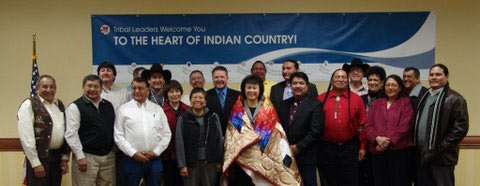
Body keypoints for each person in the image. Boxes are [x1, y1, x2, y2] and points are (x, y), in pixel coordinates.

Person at [223, 75, 302, 186]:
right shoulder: (237, 108)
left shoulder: (268, 107)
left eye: (254, 88)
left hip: (264, 155)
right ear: (243, 89)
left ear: (260, 89)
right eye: (248, 88)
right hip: (243, 157)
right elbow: (232, 133)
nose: (251, 91)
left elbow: (276, 133)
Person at [414, 64, 469, 186]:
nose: (434, 77)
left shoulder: (455, 98)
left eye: (438, 74)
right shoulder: (425, 96)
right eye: (431, 74)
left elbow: (461, 128)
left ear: (447, 76)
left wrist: (438, 148)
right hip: (422, 156)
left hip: (442, 158)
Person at [114, 77, 172, 186]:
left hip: (154, 159)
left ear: (148, 90)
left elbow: (167, 134)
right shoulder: (123, 109)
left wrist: (155, 152)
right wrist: (133, 153)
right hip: (131, 160)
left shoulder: (157, 109)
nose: (136, 91)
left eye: (140, 88)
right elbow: (118, 136)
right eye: (134, 88)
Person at [316, 69, 367, 186]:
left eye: (343, 77)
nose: (340, 79)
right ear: (332, 81)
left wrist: (363, 147)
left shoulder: (356, 99)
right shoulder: (320, 99)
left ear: (347, 80)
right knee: (329, 181)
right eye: (337, 77)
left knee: (350, 180)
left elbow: (363, 124)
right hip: (326, 148)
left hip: (350, 148)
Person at [17, 75, 70, 186]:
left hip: (56, 158)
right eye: (44, 87)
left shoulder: (59, 105)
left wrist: (64, 158)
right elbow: (26, 136)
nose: (49, 90)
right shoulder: (29, 105)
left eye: (52, 87)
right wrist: (35, 163)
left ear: (56, 88)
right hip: (39, 158)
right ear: (37, 89)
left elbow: (65, 132)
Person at [65, 74, 116, 186]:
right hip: (86, 157)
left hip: (108, 158)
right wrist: (80, 156)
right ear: (83, 87)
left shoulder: (108, 105)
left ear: (101, 88)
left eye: (96, 86)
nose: (92, 89)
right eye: (89, 86)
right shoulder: (75, 107)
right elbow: (71, 134)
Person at [364, 75, 414, 186]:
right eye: (387, 85)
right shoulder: (376, 103)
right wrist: (377, 139)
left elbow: (405, 127)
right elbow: (368, 125)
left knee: (399, 182)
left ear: (400, 88)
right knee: (380, 182)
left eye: (394, 85)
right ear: (384, 87)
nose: (390, 88)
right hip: (377, 151)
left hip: (399, 152)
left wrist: (386, 142)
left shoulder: (405, 103)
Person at [276, 72, 324, 186]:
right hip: (286, 155)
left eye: (301, 83)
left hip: (307, 156)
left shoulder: (315, 104)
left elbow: (316, 131)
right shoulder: (283, 104)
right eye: (294, 83)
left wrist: (298, 147)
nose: (298, 86)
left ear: (307, 86)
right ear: (291, 86)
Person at [176, 88, 223, 186]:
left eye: (201, 97)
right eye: (194, 97)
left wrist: (220, 161)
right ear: (190, 101)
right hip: (190, 163)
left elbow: (219, 140)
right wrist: (182, 165)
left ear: (205, 101)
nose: (198, 100)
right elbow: (179, 142)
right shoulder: (183, 118)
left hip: (210, 162)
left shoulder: (213, 117)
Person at [359, 65, 386, 186]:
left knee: (380, 178)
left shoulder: (387, 98)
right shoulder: (361, 99)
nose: (372, 82)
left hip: (381, 144)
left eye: (375, 80)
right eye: (370, 80)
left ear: (382, 82)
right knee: (365, 178)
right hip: (363, 144)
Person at [162, 80, 189, 186]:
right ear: (166, 94)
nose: (174, 94)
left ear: (181, 92)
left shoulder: (188, 110)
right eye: (171, 92)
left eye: (177, 91)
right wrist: (171, 152)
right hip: (168, 157)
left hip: (186, 157)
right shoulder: (161, 111)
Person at [206, 66, 240, 134]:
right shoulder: (205, 96)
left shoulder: (238, 95)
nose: (219, 79)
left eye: (222, 77)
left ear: (227, 78)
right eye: (216, 77)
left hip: (233, 137)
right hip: (213, 137)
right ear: (212, 79)